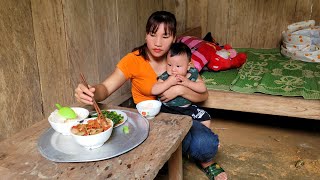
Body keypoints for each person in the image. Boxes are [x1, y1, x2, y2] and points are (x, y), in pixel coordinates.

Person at [75, 11, 227, 180]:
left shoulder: (180, 59)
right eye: (152, 34)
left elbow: (202, 95)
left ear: (175, 38)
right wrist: (92, 91)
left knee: (205, 144)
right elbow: (105, 87)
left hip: (181, 117)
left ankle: (195, 157)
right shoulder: (133, 60)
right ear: (146, 34)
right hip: (148, 121)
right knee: (131, 142)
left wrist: (180, 90)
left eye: (165, 36)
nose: (157, 43)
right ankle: (179, 153)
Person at [151, 42, 211, 128]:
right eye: (169, 64)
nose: (173, 69)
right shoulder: (166, 76)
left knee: (206, 118)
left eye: (178, 66)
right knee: (159, 122)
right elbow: (154, 90)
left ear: (188, 66)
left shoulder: (192, 74)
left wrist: (188, 83)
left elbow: (202, 89)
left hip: (186, 109)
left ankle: (204, 134)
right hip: (166, 109)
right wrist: (168, 82)